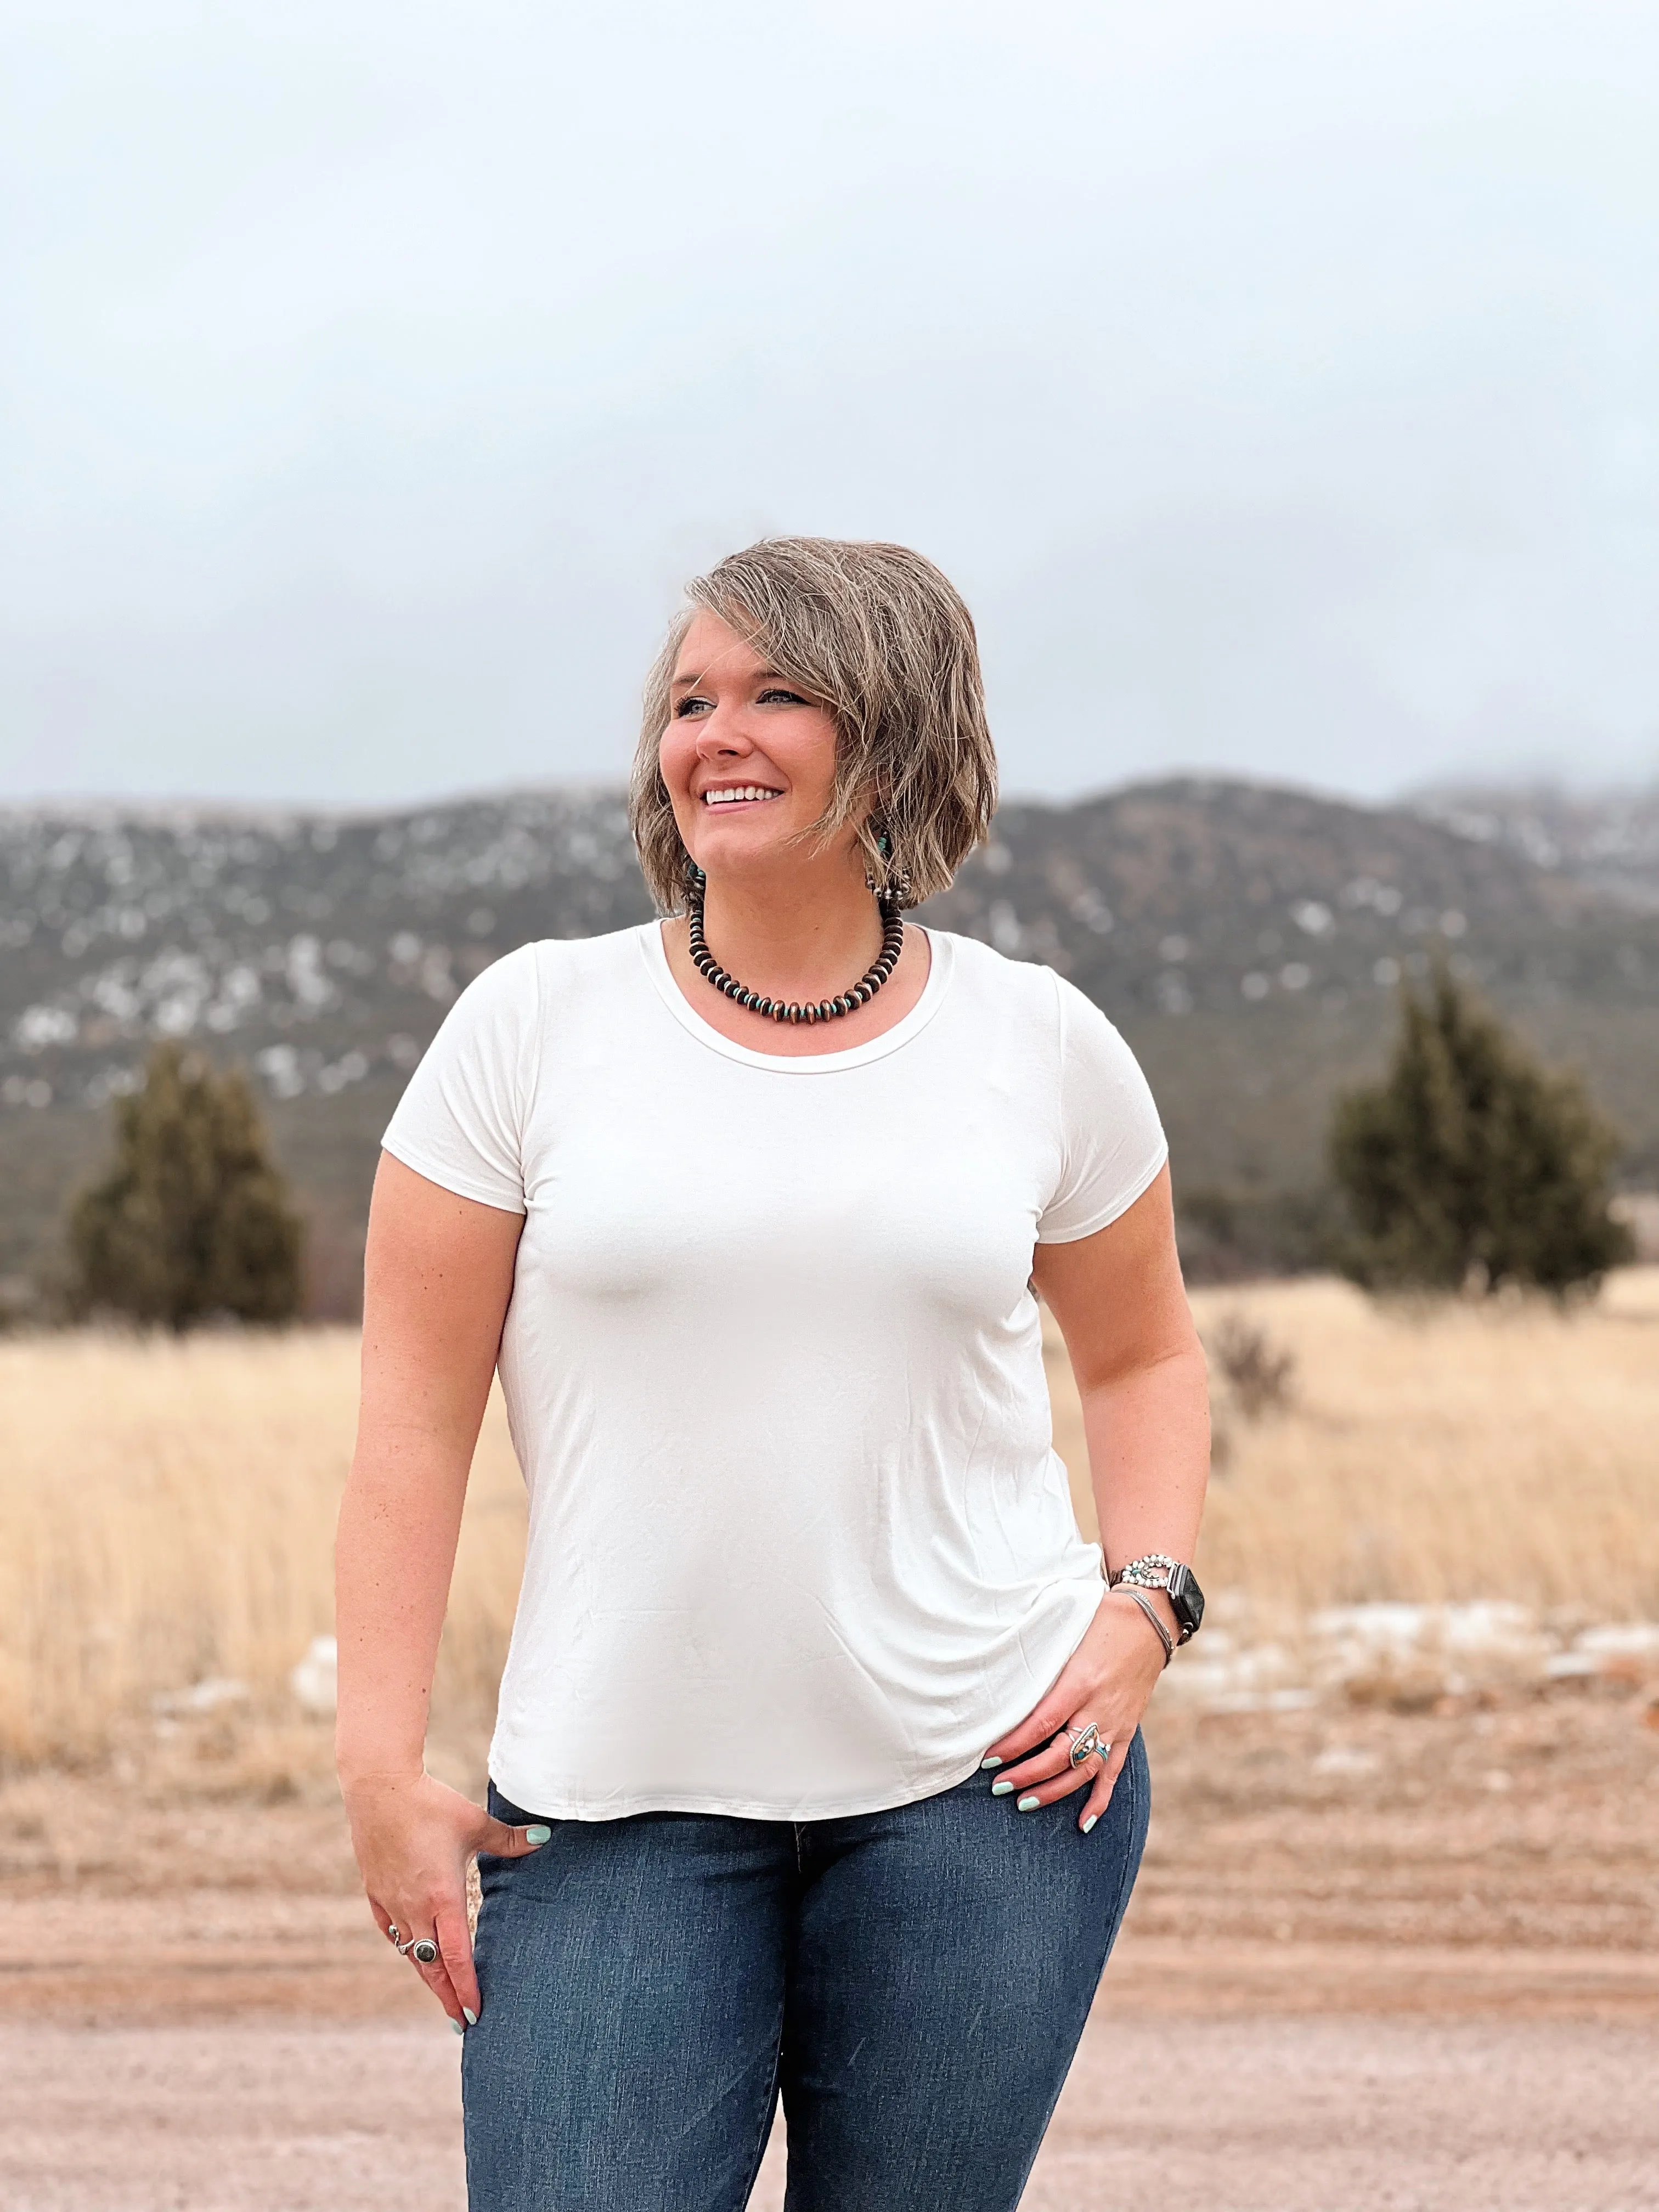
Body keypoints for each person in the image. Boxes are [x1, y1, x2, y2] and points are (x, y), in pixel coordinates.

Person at [335, 537, 1210, 2212]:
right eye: (688, 702)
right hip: (609, 1815)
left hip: (988, 1798)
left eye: (776, 694)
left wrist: (1144, 1605)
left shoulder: (1039, 1045)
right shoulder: (531, 1028)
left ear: (892, 730)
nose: (713, 736)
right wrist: (380, 1771)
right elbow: (410, 1429)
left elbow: (1149, 1355)